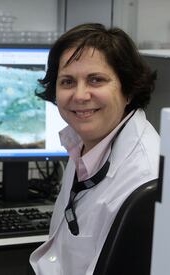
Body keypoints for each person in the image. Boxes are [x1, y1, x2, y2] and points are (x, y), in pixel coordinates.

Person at [29, 23, 159, 275]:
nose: (80, 95)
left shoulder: (143, 178)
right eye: (67, 82)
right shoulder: (86, 143)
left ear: (129, 88)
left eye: (96, 80)